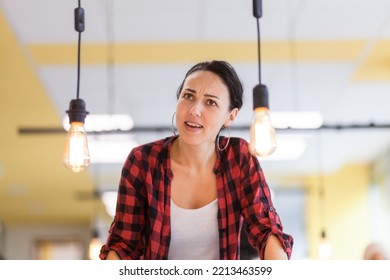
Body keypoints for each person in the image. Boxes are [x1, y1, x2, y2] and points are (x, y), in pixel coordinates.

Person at [99, 60, 293, 260]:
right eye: (188, 96)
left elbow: (266, 229)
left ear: (230, 116)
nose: (194, 110)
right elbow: (124, 245)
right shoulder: (142, 161)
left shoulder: (239, 157)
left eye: (211, 102)